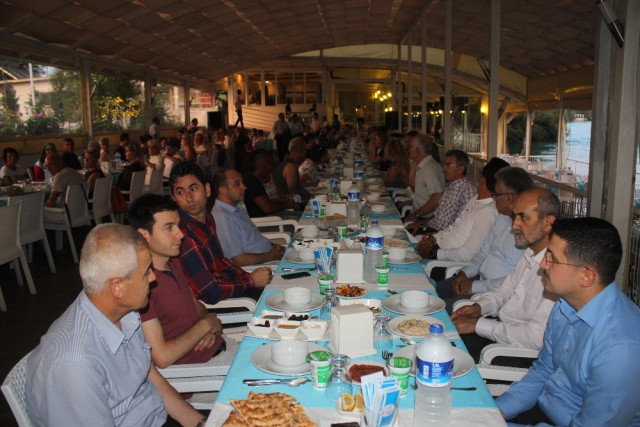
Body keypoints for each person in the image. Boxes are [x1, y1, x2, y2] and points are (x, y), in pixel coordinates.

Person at [25, 224, 204, 426]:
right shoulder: (74, 366)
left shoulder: (124, 314)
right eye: (146, 272)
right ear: (117, 287)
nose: (153, 278)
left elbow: (150, 375)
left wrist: (200, 423)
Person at [496, 217, 640, 426]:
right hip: (543, 409)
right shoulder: (564, 305)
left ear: (586, 277)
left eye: (552, 258)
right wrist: (496, 412)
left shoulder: (620, 347)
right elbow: (543, 371)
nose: (543, 265)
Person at [450, 188, 560, 361]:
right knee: (443, 339)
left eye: (523, 217)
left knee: (450, 357)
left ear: (548, 222)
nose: (514, 225)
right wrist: (479, 308)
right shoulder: (530, 253)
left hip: (519, 352)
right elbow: (505, 290)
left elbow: (536, 336)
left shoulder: (558, 270)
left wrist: (479, 325)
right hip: (502, 331)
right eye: (515, 216)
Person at [129, 194, 225, 367]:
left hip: (217, 349)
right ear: (143, 235)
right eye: (169, 228)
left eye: (178, 225)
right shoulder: (142, 286)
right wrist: (206, 325)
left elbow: (197, 308)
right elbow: (162, 357)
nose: (180, 234)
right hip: (201, 370)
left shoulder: (173, 263)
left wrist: (207, 326)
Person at [169, 161, 272, 304]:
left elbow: (222, 261)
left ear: (207, 190)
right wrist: (251, 280)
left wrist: (248, 276)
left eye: (193, 189)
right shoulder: (183, 235)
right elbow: (210, 292)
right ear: (174, 198)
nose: (189, 198)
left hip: (229, 287)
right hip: (218, 305)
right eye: (180, 192)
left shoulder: (208, 218)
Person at [436, 166, 534, 312]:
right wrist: (464, 273)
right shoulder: (501, 219)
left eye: (495, 194)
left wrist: (474, 286)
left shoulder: (528, 233)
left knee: (441, 309)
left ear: (509, 198)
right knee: (432, 291)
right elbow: (482, 253)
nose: (493, 199)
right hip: (477, 278)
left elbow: (514, 281)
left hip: (495, 294)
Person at [415, 157, 507, 266]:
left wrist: (434, 253)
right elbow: (453, 228)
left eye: (481, 174)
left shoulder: (488, 212)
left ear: (483, 179)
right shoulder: (475, 199)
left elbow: (468, 254)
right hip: (439, 248)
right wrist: (433, 238)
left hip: (446, 263)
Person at [211, 169, 286, 267]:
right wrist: (272, 255)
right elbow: (238, 260)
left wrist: (273, 247)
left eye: (242, 183)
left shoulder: (237, 208)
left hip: (267, 257)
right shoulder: (222, 217)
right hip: (259, 267)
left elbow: (253, 239)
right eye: (237, 184)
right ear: (223, 190)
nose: (244, 187)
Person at [407, 149, 476, 234]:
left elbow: (463, 224)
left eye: (448, 165)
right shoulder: (449, 186)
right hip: (431, 229)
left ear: (460, 169)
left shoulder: (467, 190)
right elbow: (437, 217)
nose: (444, 169)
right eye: (444, 165)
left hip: (442, 235)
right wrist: (419, 223)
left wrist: (436, 236)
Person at [403, 134, 445, 222]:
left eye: (411, 147)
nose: (409, 149)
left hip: (424, 219)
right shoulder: (423, 165)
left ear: (417, 150)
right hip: (418, 214)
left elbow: (437, 197)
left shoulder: (429, 168)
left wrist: (416, 214)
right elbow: (412, 185)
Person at [242, 149, 296, 217]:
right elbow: (267, 208)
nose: (269, 166)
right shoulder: (251, 182)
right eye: (267, 162)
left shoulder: (250, 179)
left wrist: (277, 201)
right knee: (304, 218)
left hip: (267, 218)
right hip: (265, 221)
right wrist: (286, 205)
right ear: (259, 164)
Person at [273, 137, 311, 204]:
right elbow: (293, 193)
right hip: (289, 204)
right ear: (299, 150)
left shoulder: (289, 162)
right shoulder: (291, 167)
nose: (306, 152)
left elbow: (298, 187)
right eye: (304, 150)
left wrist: (310, 195)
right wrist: (310, 198)